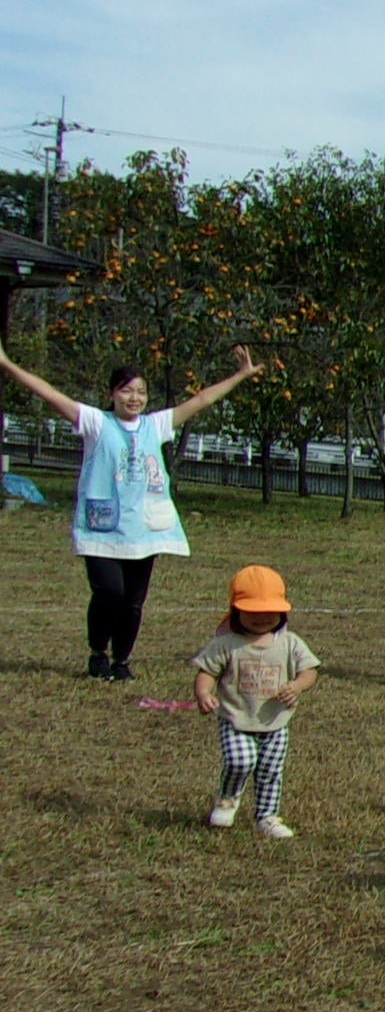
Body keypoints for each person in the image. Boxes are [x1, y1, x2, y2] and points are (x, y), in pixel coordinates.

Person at [0, 340, 261, 679]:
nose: (134, 398)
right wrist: (6, 364)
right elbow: (49, 394)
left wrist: (240, 375)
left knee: (133, 602)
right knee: (109, 591)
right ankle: (98, 652)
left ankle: (121, 661)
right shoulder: (95, 422)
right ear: (112, 394)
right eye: (126, 391)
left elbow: (201, 400)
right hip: (102, 527)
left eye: (140, 392)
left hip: (144, 529)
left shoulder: (155, 425)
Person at [191, 564, 320, 841]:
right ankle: (228, 799)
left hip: (276, 722)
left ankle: (267, 816)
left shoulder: (290, 643)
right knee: (240, 761)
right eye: (253, 612)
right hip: (236, 719)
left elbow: (310, 671)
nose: (262, 618)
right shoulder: (227, 644)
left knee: (270, 771)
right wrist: (204, 694)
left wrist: (297, 686)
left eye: (269, 611)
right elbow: (207, 672)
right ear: (236, 611)